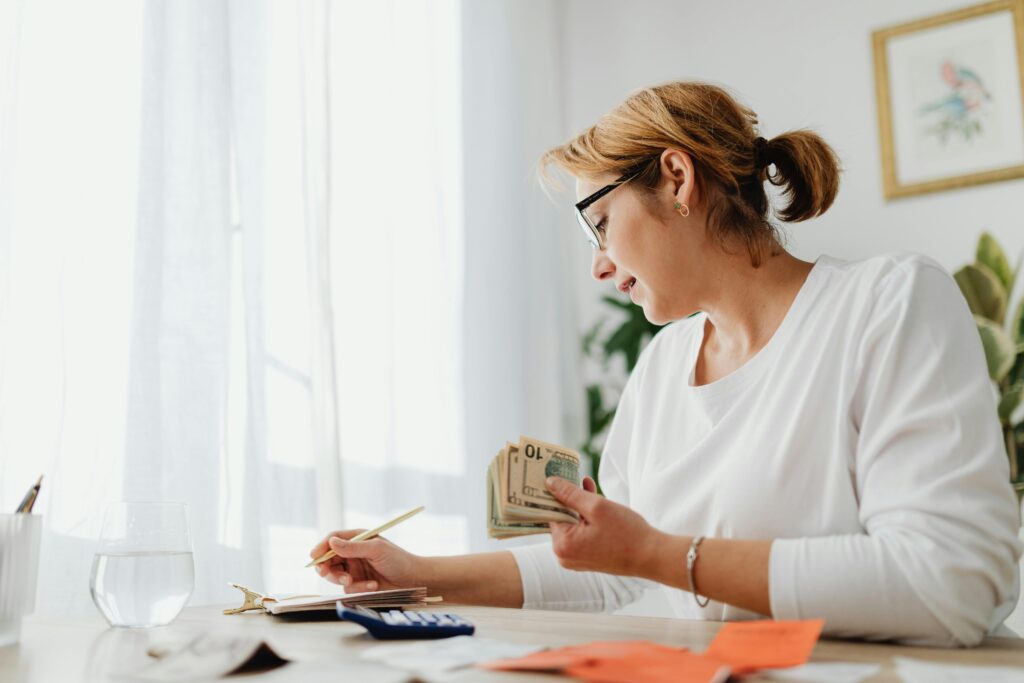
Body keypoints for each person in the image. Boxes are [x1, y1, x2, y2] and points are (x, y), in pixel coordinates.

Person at [310, 81, 1022, 647]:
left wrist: (659, 553)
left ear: (677, 179)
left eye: (599, 222)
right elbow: (611, 576)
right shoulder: (663, 366)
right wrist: (420, 576)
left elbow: (951, 582)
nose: (597, 264)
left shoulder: (887, 303)